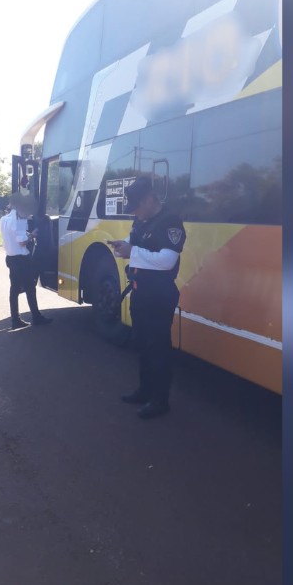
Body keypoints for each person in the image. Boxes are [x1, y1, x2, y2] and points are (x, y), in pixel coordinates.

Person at [110, 176, 186, 419]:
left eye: (136, 206)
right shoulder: (141, 221)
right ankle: (144, 391)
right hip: (140, 292)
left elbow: (166, 261)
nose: (134, 212)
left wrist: (132, 252)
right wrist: (123, 246)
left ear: (149, 200)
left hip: (158, 296)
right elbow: (134, 243)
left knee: (158, 348)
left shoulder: (170, 222)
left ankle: (160, 401)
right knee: (142, 344)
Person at [0, 192, 52, 329]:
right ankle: (36, 317)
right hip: (21, 260)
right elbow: (22, 241)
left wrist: (26, 234)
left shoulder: (4, 219)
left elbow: (13, 236)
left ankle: (15, 319)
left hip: (10, 258)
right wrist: (32, 235)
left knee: (14, 289)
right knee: (30, 288)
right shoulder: (19, 219)